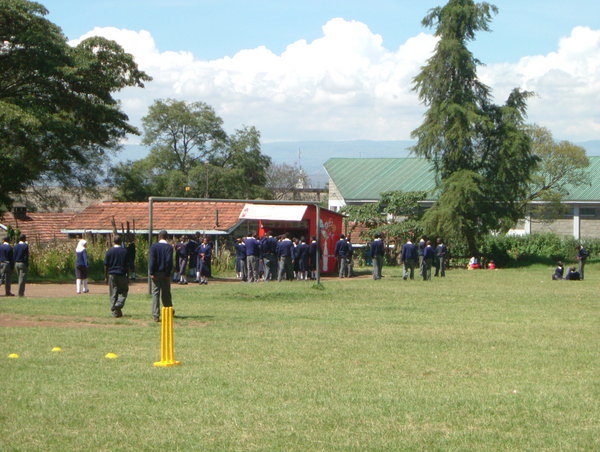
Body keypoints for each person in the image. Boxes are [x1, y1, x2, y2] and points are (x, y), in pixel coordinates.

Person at [149, 230, 174, 322]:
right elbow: (169, 261)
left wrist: (151, 272)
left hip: (156, 273)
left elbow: (152, 261)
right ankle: (168, 310)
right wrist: (168, 273)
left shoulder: (154, 247)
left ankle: (156, 315)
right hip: (165, 273)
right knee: (166, 293)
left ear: (159, 237)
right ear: (166, 237)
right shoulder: (169, 247)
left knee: (155, 293)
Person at [104, 235, 129, 318]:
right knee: (124, 291)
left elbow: (106, 265)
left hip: (112, 274)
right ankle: (119, 304)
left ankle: (114, 311)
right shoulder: (125, 251)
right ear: (121, 242)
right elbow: (127, 265)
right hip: (122, 274)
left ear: (113, 242)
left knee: (113, 292)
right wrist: (128, 276)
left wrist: (106, 276)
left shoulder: (109, 251)